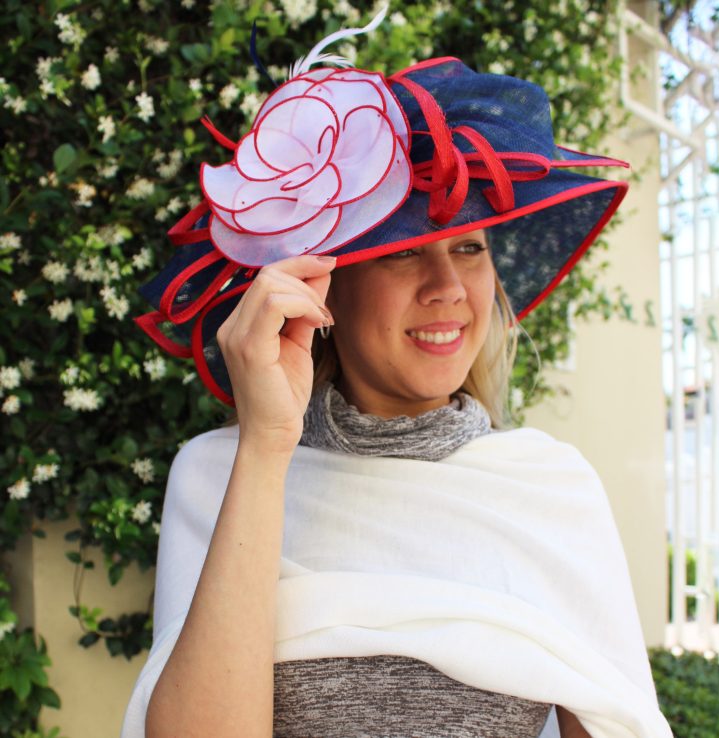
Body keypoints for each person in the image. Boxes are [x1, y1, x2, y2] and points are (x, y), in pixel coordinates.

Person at [122, 12, 673, 738]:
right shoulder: (220, 474)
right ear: (324, 288)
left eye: (471, 248)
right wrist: (265, 446)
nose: (448, 286)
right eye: (403, 251)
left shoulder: (549, 490)